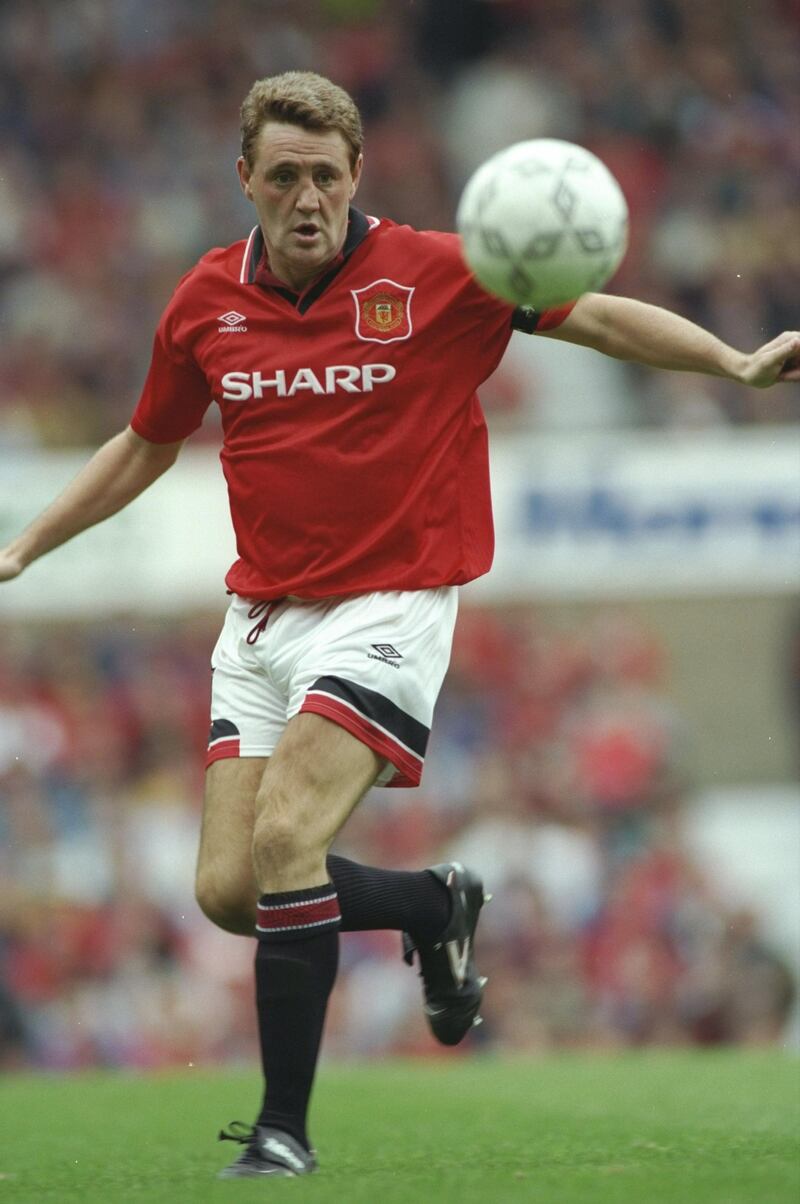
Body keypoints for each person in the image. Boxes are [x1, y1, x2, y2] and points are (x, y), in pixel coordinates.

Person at [1, 71, 797, 1178]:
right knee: (230, 891)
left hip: (389, 605)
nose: (307, 196)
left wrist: (731, 358)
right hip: (261, 619)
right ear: (246, 180)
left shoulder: (434, 268)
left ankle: (282, 1129)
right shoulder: (202, 303)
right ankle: (431, 905)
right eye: (283, 176)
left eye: (325, 175)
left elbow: (597, 317)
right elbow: (144, 442)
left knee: (289, 840)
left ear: (355, 176)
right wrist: (27, 544)